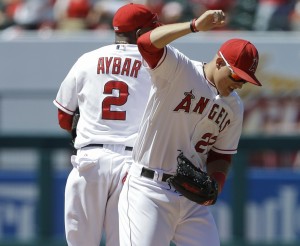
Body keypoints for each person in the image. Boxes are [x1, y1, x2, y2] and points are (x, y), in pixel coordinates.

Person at [118, 7, 262, 246]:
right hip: (149, 189)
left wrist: (214, 185)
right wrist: (193, 26)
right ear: (219, 62)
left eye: (245, 80)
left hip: (190, 199)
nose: (240, 85)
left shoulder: (234, 106)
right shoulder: (180, 70)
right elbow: (145, 43)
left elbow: (221, 156)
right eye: (236, 76)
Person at [53, 3, 160, 246]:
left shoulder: (87, 59)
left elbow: (63, 116)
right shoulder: (156, 67)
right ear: (142, 33)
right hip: (133, 165)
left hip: (90, 159)